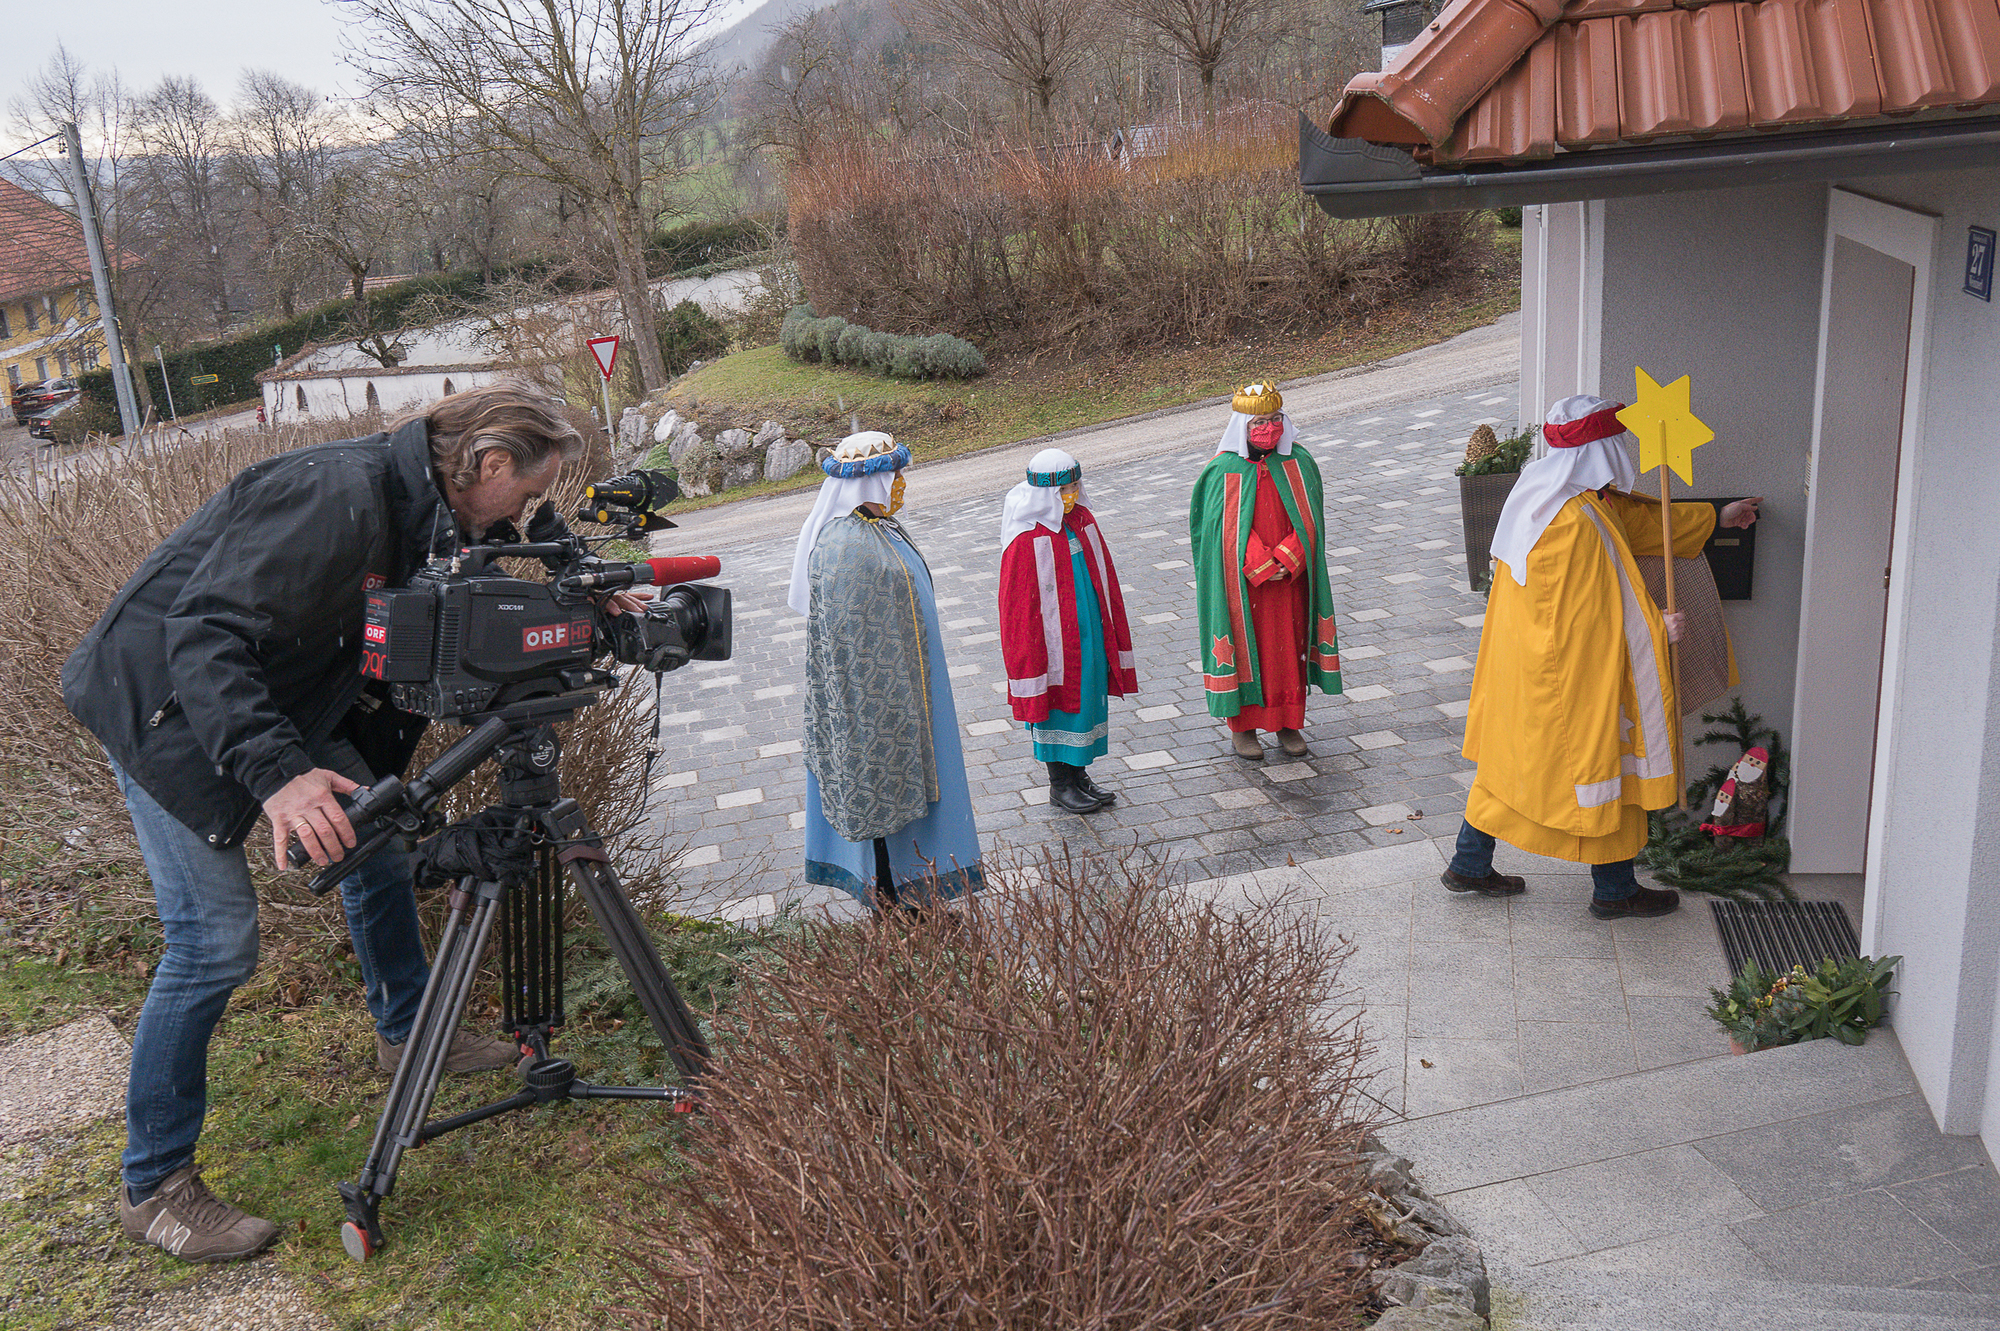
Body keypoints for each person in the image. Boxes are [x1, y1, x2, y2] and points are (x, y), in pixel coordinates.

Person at [62, 384, 587, 1263]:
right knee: (213, 942)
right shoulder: (334, 496)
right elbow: (204, 632)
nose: (528, 511)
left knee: (376, 834)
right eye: (529, 493)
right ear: (489, 463)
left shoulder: (423, 507)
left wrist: (585, 608)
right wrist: (277, 780)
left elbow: (466, 592)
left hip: (268, 700)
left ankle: (408, 1032)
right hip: (166, 709)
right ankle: (154, 1185)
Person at [1444, 394, 1762, 918]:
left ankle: (1469, 864)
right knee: (1609, 770)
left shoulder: (1555, 497)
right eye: (1618, 442)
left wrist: (1718, 517)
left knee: (1510, 766)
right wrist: (1655, 627)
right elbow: (1583, 612)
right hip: (1568, 677)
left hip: (1527, 669)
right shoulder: (1572, 522)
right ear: (1600, 448)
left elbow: (1640, 526)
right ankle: (1614, 892)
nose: (1624, 453)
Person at [789, 431, 984, 909]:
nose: (900, 482)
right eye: (894, 473)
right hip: (880, 705)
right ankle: (890, 902)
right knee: (879, 797)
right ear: (871, 480)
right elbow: (854, 648)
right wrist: (886, 712)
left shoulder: (877, 530)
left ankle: (908, 893)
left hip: (911, 687)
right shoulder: (847, 548)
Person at [1189, 381, 1343, 760]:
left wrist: (1289, 557)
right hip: (1244, 584)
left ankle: (1288, 722)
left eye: (1275, 419)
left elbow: (1311, 520)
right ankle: (1243, 728)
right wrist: (1259, 562)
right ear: (1242, 425)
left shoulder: (1299, 462)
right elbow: (1219, 530)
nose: (1268, 428)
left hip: (1290, 581)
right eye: (1260, 421)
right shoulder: (1222, 470)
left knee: (1287, 647)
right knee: (1246, 647)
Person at [997, 449, 1139, 813]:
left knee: (1088, 692)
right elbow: (1018, 606)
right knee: (1059, 702)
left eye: (1074, 485)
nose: (1071, 494)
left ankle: (1079, 775)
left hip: (1087, 627)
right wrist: (1031, 651)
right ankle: (1059, 783)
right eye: (1062, 489)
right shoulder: (1027, 537)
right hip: (1051, 642)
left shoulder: (1081, 520)